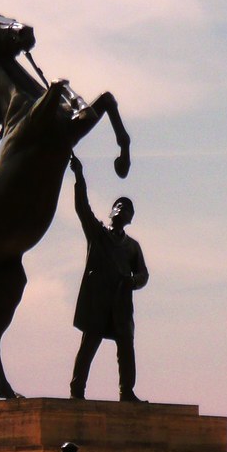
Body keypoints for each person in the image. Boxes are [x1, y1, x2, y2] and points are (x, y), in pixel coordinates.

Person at [69, 156, 149, 402]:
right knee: (89, 344)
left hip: (121, 304)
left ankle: (127, 391)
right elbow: (82, 207)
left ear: (131, 218)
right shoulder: (98, 235)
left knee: (126, 347)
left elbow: (144, 274)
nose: (123, 210)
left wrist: (132, 282)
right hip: (98, 302)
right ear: (112, 211)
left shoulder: (132, 247)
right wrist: (79, 176)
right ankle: (77, 391)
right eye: (119, 206)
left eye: (128, 209)